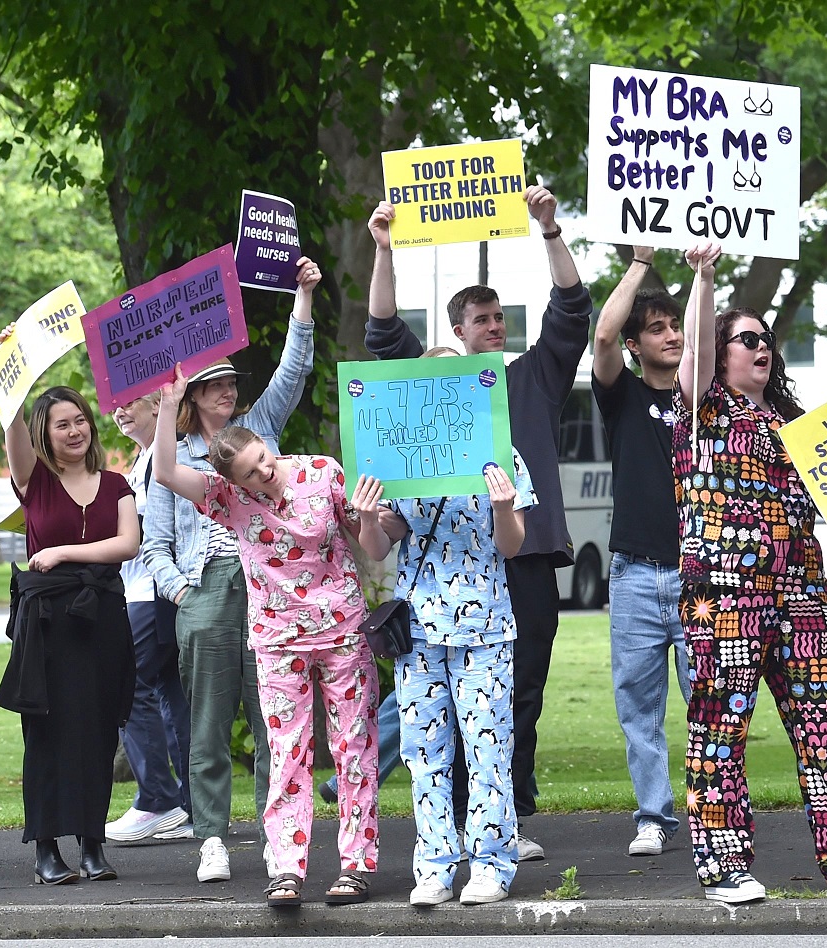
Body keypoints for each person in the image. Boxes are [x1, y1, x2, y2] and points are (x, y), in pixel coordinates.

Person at [363, 187, 592, 860]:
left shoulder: (534, 378)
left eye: (500, 318)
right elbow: (381, 333)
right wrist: (383, 248)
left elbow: (572, 313)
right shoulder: (433, 387)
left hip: (521, 555)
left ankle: (510, 820)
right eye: (483, 318)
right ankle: (460, 825)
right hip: (446, 574)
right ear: (456, 331)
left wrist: (549, 232)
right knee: (447, 706)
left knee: (519, 695)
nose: (496, 325)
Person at [673, 242, 827, 904]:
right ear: (721, 352)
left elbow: (820, 504)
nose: (762, 348)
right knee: (721, 729)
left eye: (767, 340)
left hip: (804, 596)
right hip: (725, 598)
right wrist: (705, 277)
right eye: (747, 339)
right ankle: (724, 866)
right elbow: (692, 353)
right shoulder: (701, 411)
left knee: (826, 727)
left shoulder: (794, 426)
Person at [153, 363, 382, 907]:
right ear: (233, 486)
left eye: (265, 458)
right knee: (287, 752)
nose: (266, 472)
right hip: (278, 641)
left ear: (265, 442)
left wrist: (369, 517)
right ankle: (286, 868)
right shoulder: (226, 500)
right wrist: (167, 406)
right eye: (253, 473)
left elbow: (374, 549)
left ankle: (355, 864)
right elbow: (165, 473)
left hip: (342, 629)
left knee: (353, 747)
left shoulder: (322, 472)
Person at [142, 256, 319, 882]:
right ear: (192, 397)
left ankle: (281, 838)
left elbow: (293, 371)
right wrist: (184, 592)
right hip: (209, 585)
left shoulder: (259, 430)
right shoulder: (175, 453)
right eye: (214, 385)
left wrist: (301, 298)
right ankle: (212, 838)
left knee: (277, 717)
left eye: (230, 382)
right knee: (209, 722)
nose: (228, 390)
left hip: (269, 581)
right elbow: (154, 542)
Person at [357, 350, 536, 907]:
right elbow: (379, 546)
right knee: (423, 749)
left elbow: (512, 546)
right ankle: (434, 865)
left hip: (484, 623)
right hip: (420, 629)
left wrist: (503, 505)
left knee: (487, 747)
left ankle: (491, 865)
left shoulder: (500, 454)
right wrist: (367, 515)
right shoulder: (397, 459)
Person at [0, 381, 138, 885]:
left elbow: (127, 545)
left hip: (101, 620)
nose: (74, 430)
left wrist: (62, 554)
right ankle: (46, 852)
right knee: (48, 734)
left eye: (79, 419)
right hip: (48, 626)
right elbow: (12, 428)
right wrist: (13, 372)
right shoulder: (33, 479)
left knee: (98, 732)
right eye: (62, 423)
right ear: (45, 433)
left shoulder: (117, 484)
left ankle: (92, 845)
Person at [591, 246, 692, 857]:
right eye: (657, 328)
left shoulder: (701, 398)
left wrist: (700, 272)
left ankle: (713, 813)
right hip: (632, 574)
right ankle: (653, 815)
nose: (671, 335)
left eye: (675, 324)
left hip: (698, 572)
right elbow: (602, 332)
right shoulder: (620, 394)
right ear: (635, 345)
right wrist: (640, 265)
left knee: (708, 699)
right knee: (639, 706)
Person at [105, 392, 193, 844]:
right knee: (169, 690)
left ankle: (158, 798)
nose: (119, 410)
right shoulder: (143, 458)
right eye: (115, 405)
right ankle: (189, 804)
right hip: (143, 590)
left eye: (129, 402)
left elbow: (158, 526)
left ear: (159, 405)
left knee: (132, 685)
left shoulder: (165, 454)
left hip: (151, 589)